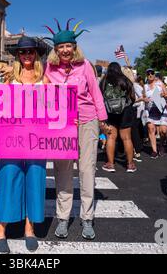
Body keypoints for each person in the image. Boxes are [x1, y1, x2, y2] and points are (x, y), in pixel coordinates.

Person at [43, 19, 108, 240]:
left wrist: (102, 120)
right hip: (61, 124)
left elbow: (96, 93)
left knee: (87, 170)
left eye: (68, 46)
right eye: (60, 47)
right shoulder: (49, 68)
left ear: (74, 47)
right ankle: (63, 217)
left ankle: (87, 218)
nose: (64, 50)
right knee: (62, 170)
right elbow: (42, 94)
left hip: (87, 121)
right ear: (56, 49)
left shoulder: (86, 65)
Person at [0, 36, 47, 254]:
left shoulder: (45, 79)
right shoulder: (9, 79)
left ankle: (29, 227)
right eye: (23, 52)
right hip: (11, 137)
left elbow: (56, 106)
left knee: (35, 177)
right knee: (8, 176)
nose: (26, 55)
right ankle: (0, 229)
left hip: (37, 137)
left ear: (36, 54)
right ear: (17, 55)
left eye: (30, 52)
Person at [100, 63, 136, 173]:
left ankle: (110, 164)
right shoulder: (125, 80)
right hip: (125, 110)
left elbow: (100, 97)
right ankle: (130, 164)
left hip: (110, 112)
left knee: (111, 137)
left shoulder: (104, 81)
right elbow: (132, 96)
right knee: (126, 138)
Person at [142, 68, 167, 158]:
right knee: (151, 129)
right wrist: (145, 99)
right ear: (146, 75)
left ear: (154, 74)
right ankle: (154, 150)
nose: (150, 75)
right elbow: (143, 97)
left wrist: (163, 95)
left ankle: (161, 145)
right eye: (148, 73)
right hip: (150, 110)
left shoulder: (160, 84)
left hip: (161, 109)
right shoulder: (145, 86)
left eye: (152, 73)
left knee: (163, 131)